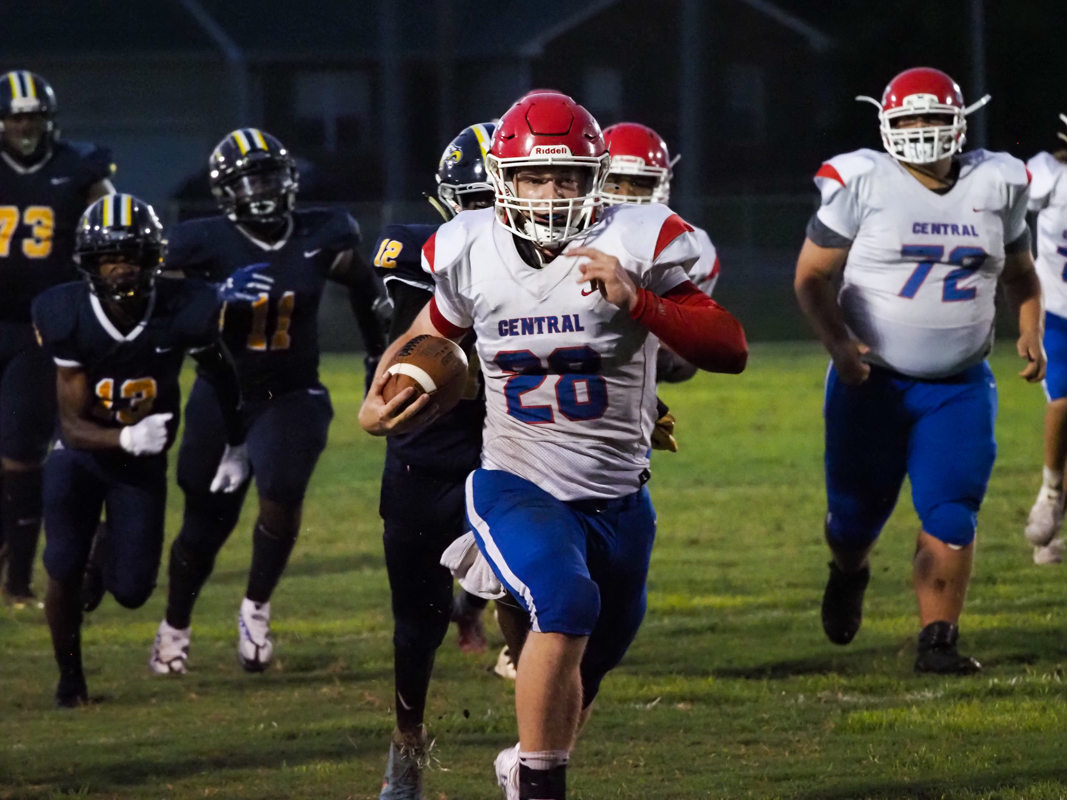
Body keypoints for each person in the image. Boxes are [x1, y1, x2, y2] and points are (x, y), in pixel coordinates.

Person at [360, 91, 747, 800]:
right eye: (534, 177)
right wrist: (381, 391)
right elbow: (428, 335)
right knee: (566, 603)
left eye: (566, 176)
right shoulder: (469, 248)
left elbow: (729, 347)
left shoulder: (635, 239)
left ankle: (525, 762)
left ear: (597, 177)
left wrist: (639, 301)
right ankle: (539, 786)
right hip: (517, 481)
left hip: (619, 495)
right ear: (503, 181)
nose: (550, 193)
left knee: (594, 659)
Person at [794, 67, 1044, 675]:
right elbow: (812, 277)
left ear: (960, 123)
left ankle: (938, 640)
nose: (923, 129)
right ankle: (849, 571)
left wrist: (1030, 327)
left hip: (958, 386)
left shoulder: (996, 182)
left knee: (953, 510)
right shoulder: (863, 181)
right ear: (886, 124)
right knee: (852, 520)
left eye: (935, 117)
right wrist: (839, 345)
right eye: (911, 118)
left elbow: (1021, 274)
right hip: (870, 381)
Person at [149, 129, 387, 675]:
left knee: (281, 488)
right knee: (205, 520)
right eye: (248, 181)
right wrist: (212, 296)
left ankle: (255, 606)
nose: (261, 191)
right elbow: (161, 302)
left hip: (291, 390)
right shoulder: (199, 242)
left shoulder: (319, 233)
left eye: (269, 178)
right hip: (222, 390)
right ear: (225, 191)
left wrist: (378, 352)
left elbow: (363, 282)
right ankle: (175, 624)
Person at [34, 193, 242, 707]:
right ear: (89, 263)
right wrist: (125, 437)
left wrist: (237, 440)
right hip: (79, 458)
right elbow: (72, 427)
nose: (121, 268)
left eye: (131, 256)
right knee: (62, 567)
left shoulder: (185, 308)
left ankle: (103, 543)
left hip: (139, 468)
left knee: (131, 591)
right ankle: (70, 679)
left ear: (153, 259)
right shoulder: (65, 312)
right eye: (109, 258)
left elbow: (221, 373)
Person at [372, 121, 499, 799]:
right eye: (473, 202)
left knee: (537, 607)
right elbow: (407, 350)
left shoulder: (554, 261)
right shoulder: (416, 253)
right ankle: (407, 743)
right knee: (416, 623)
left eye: (494, 201)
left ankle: (536, 757)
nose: (483, 218)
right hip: (424, 456)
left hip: (510, 454)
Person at [0, 70, 115, 607]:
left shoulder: (80, 168)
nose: (26, 127)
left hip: (40, 328)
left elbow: (112, 226)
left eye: (34, 117)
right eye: (16, 117)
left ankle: (19, 578)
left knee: (21, 450)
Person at [1023, 114, 1067, 564]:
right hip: (1057, 310)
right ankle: (1051, 492)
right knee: (1063, 400)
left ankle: (1052, 531)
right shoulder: (1049, 176)